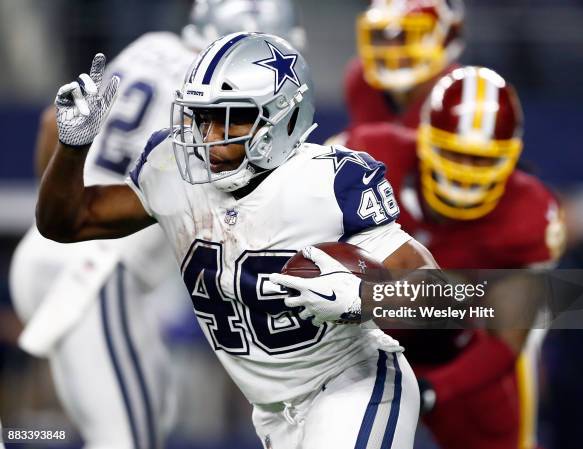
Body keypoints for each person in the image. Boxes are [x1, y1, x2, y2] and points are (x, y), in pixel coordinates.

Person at [34, 32, 449, 449]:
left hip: (354, 386)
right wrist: (73, 147)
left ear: (285, 116)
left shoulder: (328, 181)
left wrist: (364, 296)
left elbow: (450, 299)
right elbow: (66, 223)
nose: (210, 136)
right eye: (201, 116)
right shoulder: (172, 171)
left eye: (232, 117)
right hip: (272, 414)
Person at [10, 2, 305, 448]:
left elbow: (55, 123)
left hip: (53, 246)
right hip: (97, 273)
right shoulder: (227, 94)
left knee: (150, 411)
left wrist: (55, 210)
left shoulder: (151, 46)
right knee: (125, 439)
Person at [346, 66, 567, 449]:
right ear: (424, 137)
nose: (465, 172)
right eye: (454, 153)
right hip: (361, 343)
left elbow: (506, 340)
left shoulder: (528, 213)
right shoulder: (373, 155)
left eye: (482, 159)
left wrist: (431, 390)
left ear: (511, 156)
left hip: (461, 350)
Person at [344, 0, 464, 132]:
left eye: (404, 36)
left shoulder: (460, 95)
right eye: (382, 36)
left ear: (446, 38)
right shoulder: (362, 80)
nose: (392, 49)